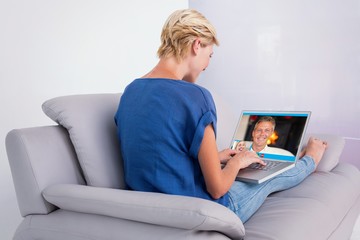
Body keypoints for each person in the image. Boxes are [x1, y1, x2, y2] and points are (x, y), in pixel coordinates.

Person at [114, 9, 327, 223]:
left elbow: (162, 157)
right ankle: (311, 159)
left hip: (148, 213)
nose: (207, 65)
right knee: (267, 178)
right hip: (199, 212)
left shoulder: (130, 91)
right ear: (197, 45)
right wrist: (237, 162)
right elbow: (217, 189)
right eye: (210, 55)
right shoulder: (196, 96)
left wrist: (216, 157)